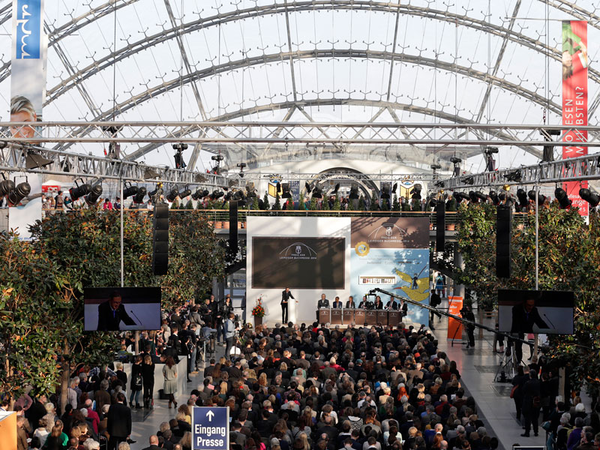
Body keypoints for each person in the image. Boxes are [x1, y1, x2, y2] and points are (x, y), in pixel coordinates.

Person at [521, 370, 542, 437]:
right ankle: (536, 431)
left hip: (528, 402)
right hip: (536, 401)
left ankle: (527, 432)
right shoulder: (539, 382)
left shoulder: (528, 383)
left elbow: (523, 391)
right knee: (535, 418)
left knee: (527, 418)